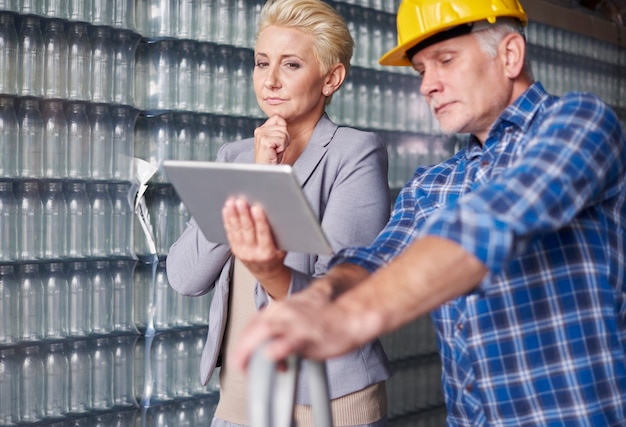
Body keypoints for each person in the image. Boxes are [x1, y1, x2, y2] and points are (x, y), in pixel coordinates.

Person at [232, 0, 626, 425]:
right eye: (422, 70)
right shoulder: (432, 183)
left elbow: (488, 226)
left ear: (509, 55)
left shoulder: (581, 123)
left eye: (446, 60)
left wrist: (348, 316)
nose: (428, 86)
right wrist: (306, 296)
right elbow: (370, 265)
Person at [166, 0, 391, 426]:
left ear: (331, 78)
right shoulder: (236, 157)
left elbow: (339, 295)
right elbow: (185, 276)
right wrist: (253, 176)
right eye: (261, 62)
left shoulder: (354, 154)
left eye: (290, 65)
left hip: (327, 396)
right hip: (242, 397)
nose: (269, 80)